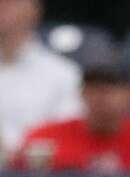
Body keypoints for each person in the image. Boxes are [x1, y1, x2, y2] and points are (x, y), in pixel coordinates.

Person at [11, 46, 130, 174]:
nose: (102, 96)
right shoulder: (45, 138)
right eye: (94, 88)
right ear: (82, 94)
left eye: (112, 88)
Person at [0, 0, 81, 163]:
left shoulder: (64, 73)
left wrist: (15, 156)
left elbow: (68, 135)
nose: (2, 7)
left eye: (11, 3)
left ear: (34, 11)